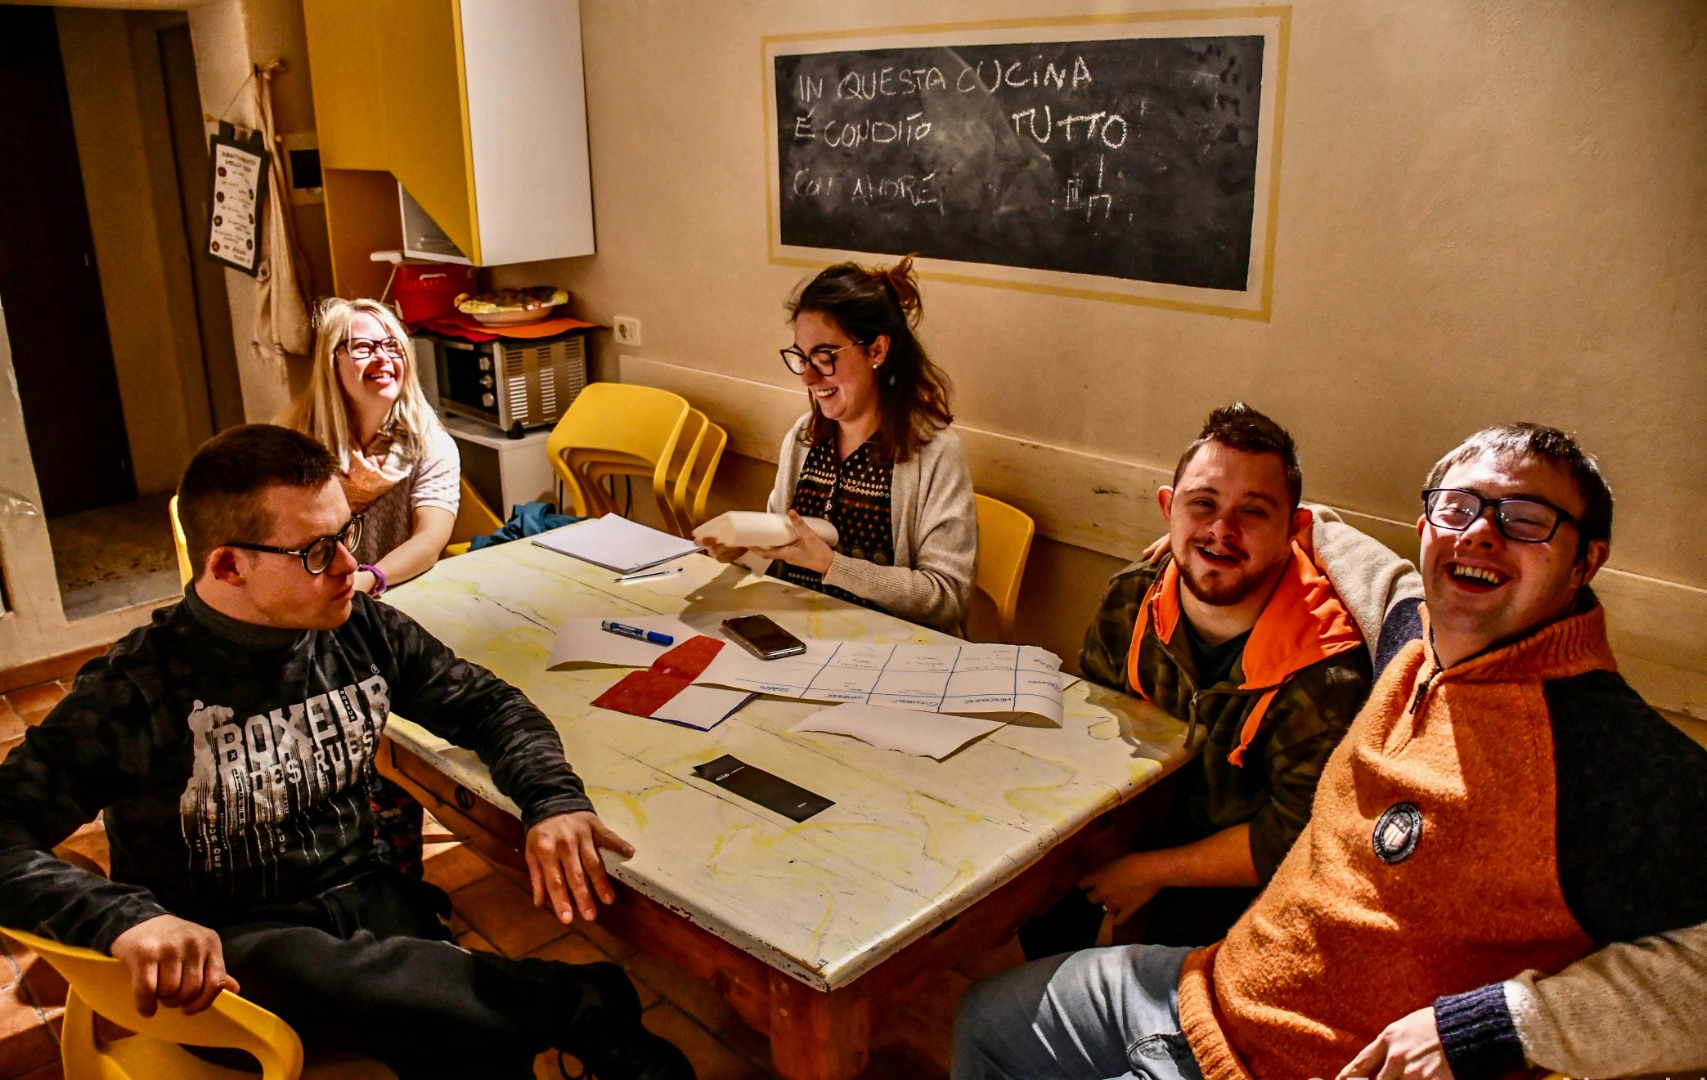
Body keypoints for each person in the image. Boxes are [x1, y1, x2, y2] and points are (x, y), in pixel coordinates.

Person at [953, 422, 1707, 1080]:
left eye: (1525, 520)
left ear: (1586, 561)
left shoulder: (1602, 754)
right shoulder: (1412, 638)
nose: (1480, 534)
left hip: (1293, 1064)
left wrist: (1489, 1028)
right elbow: (1361, 556)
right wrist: (1216, 537)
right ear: (1426, 524)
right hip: (1210, 989)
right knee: (983, 1020)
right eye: (1459, 508)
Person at [0, 425, 694, 1080]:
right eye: (314, 551)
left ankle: (547, 1009)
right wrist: (124, 918)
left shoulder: (359, 627)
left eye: (346, 534)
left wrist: (552, 799)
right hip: (228, 949)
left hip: (365, 903)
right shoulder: (137, 686)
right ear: (228, 565)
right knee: (349, 978)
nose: (349, 566)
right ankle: (577, 1004)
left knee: (464, 1031)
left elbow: (489, 705)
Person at [1035, 404, 1378, 955]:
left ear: (1294, 530)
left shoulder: (1327, 672)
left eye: (1253, 512)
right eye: (1202, 504)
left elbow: (1294, 836)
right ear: (1168, 509)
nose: (1222, 531)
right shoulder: (1132, 597)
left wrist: (1150, 871)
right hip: (1142, 818)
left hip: (1243, 874)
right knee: (1043, 889)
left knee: (1176, 951)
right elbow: (1094, 721)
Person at [696, 257, 975, 634]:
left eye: (825, 357)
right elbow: (779, 563)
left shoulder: (933, 451)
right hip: (803, 636)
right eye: (802, 358)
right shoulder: (804, 438)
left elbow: (947, 598)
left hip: (891, 646)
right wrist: (743, 553)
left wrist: (832, 565)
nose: (808, 378)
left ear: (877, 351)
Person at [284, 297, 460, 878]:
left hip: (380, 609)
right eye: (362, 346)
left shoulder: (429, 441)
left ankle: (393, 885)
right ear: (331, 361)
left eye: (392, 346)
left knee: (387, 752)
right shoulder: (293, 445)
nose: (382, 358)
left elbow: (431, 538)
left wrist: (368, 578)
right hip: (303, 613)